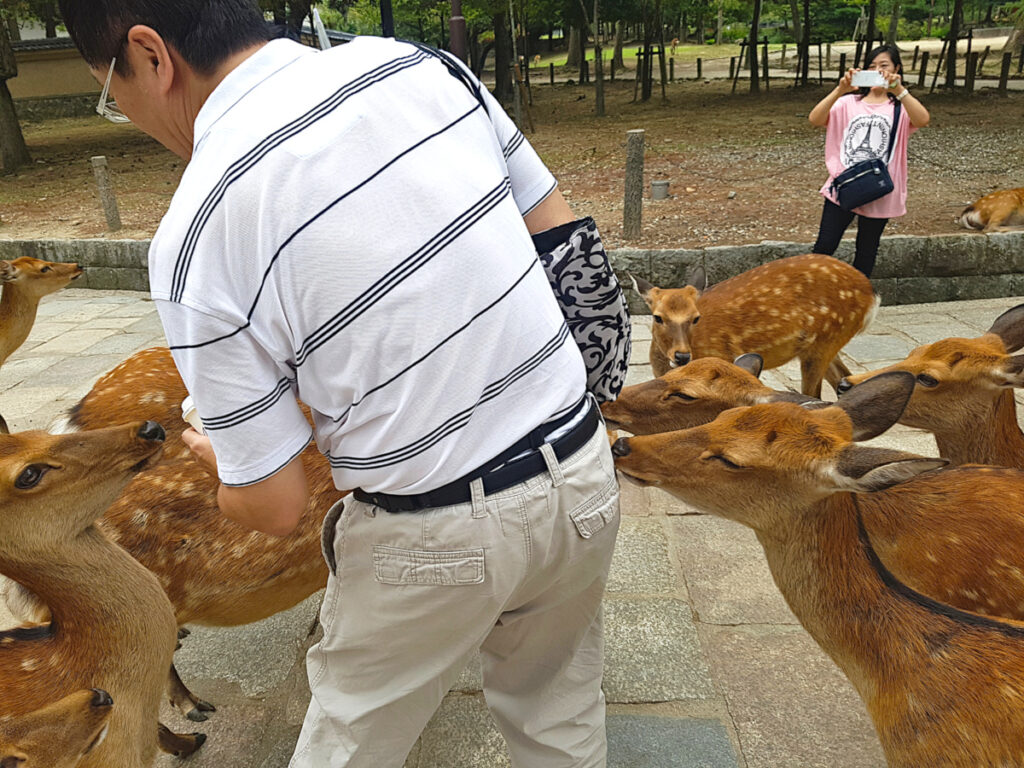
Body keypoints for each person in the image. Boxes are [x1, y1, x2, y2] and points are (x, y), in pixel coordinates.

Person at [56, 2, 621, 766]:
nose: (122, 112)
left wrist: (226, 460)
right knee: (558, 713)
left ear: (150, 56)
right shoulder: (419, 66)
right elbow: (566, 251)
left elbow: (277, 506)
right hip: (582, 470)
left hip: (435, 530)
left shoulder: (198, 234)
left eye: (107, 92)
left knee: (350, 744)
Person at [808, 44, 930, 277]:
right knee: (824, 246)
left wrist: (900, 90)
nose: (878, 71)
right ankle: (811, 294)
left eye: (884, 66)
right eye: (871, 67)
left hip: (879, 189)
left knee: (866, 251)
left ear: (897, 69)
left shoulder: (900, 108)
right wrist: (840, 90)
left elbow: (923, 119)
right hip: (844, 185)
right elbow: (815, 119)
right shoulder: (847, 103)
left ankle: (856, 302)